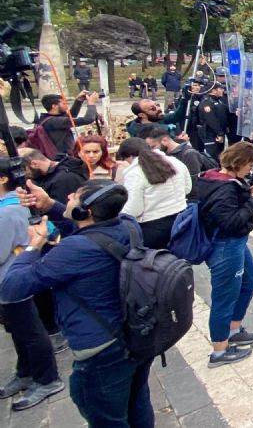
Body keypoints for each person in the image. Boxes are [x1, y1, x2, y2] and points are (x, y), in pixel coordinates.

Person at [1, 180, 150, 424]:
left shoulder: (74, 250)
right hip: (134, 332)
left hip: (100, 347)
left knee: (106, 416)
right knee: (137, 401)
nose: (68, 195)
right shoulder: (128, 225)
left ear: (85, 211)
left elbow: (11, 288)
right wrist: (51, 205)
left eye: (75, 196)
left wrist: (33, 246)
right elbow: (92, 232)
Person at [192, 141, 253, 366]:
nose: (251, 170)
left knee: (250, 280)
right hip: (225, 245)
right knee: (224, 296)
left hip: (235, 243)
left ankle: (233, 328)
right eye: (250, 165)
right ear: (239, 163)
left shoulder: (218, 178)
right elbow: (231, 221)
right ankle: (219, 350)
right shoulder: (223, 187)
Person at [0, 157, 63, 412]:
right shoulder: (12, 205)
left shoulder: (8, 211)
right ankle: (25, 371)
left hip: (12, 280)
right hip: (13, 279)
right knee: (18, 331)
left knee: (30, 331)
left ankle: (47, 378)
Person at [114, 137, 190, 249]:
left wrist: (118, 215)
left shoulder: (135, 172)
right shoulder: (174, 161)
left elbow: (134, 209)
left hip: (153, 227)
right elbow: (187, 188)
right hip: (181, 219)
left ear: (129, 156)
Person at [34, 92, 99, 156]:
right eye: (64, 103)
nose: (66, 106)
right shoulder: (55, 121)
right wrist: (91, 103)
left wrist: (78, 100)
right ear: (54, 106)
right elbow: (88, 119)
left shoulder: (50, 118)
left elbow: (71, 115)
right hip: (62, 159)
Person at [18, 148, 87, 206]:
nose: (24, 174)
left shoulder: (63, 179)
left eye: (23, 170)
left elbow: (65, 214)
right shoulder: (47, 175)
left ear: (34, 164)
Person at [144, 125, 211, 178]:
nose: (152, 151)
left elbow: (194, 183)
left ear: (164, 140)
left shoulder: (189, 154)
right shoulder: (165, 155)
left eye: (153, 147)